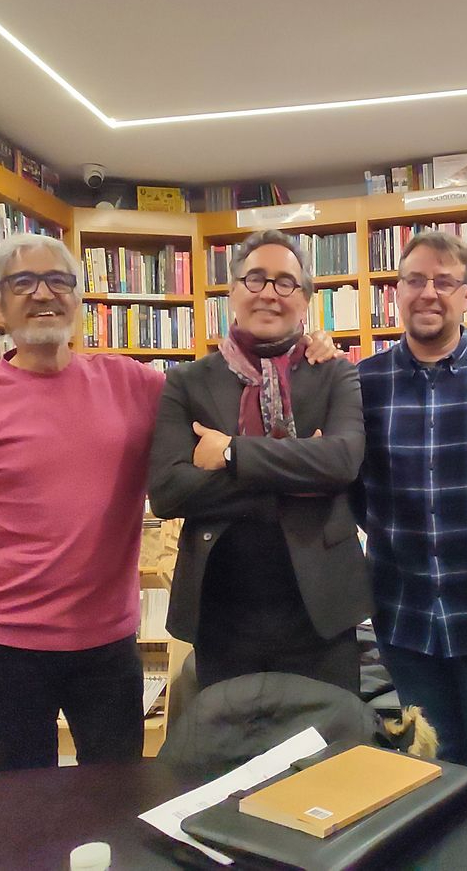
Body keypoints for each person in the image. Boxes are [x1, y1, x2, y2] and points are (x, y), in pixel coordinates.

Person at [0, 232, 337, 771]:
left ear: (79, 298)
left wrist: (301, 356)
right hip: (1, 646)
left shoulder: (130, 382)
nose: (44, 294)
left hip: (108, 645)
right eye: (23, 283)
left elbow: (221, 396)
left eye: (59, 281)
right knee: (22, 803)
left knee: (117, 793)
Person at [147, 229, 370, 693]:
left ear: (306, 300)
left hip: (321, 609)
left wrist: (230, 453)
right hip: (221, 610)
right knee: (234, 755)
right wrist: (297, 465)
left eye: (285, 282)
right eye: (255, 279)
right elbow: (168, 491)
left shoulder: (335, 372)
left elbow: (343, 461)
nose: (269, 293)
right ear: (232, 293)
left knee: (332, 755)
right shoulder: (187, 382)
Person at [356, 230, 467, 769]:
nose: (427, 292)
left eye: (444, 281)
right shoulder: (362, 383)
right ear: (396, 291)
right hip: (403, 612)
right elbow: (352, 489)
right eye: (414, 279)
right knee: (429, 763)